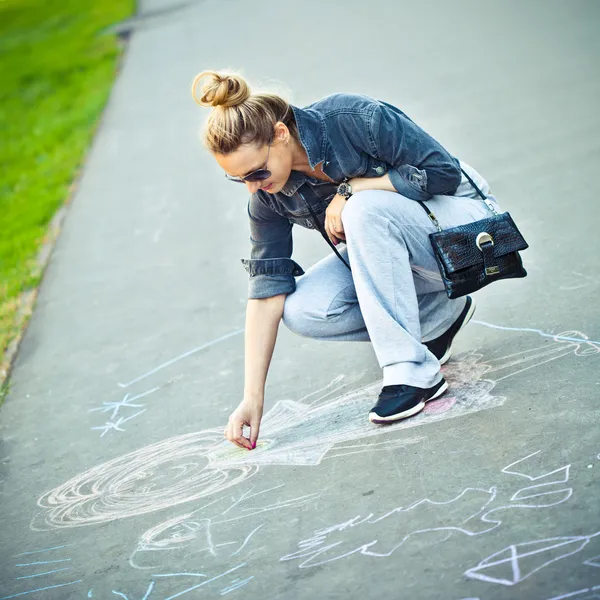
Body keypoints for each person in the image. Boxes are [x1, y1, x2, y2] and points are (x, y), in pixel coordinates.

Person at [191, 71, 501, 451]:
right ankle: (438, 321)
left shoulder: (350, 119)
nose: (253, 186)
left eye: (256, 171)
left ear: (281, 135)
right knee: (303, 310)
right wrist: (252, 397)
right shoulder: (268, 196)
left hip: (471, 234)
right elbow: (265, 291)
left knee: (363, 211)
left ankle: (412, 373)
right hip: (420, 264)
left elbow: (442, 173)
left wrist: (352, 189)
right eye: (239, 180)